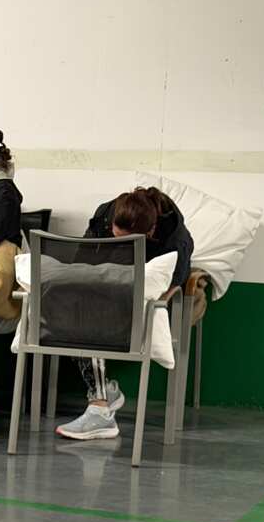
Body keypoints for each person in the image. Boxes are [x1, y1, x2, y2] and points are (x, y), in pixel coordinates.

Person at [55, 186, 195, 441]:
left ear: (150, 232)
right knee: (74, 311)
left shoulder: (175, 237)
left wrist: (140, 303)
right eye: (115, 235)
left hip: (142, 285)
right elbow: (81, 262)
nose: (116, 239)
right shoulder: (106, 215)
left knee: (94, 318)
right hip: (106, 281)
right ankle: (102, 398)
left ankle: (100, 405)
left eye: (126, 240)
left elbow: (174, 281)